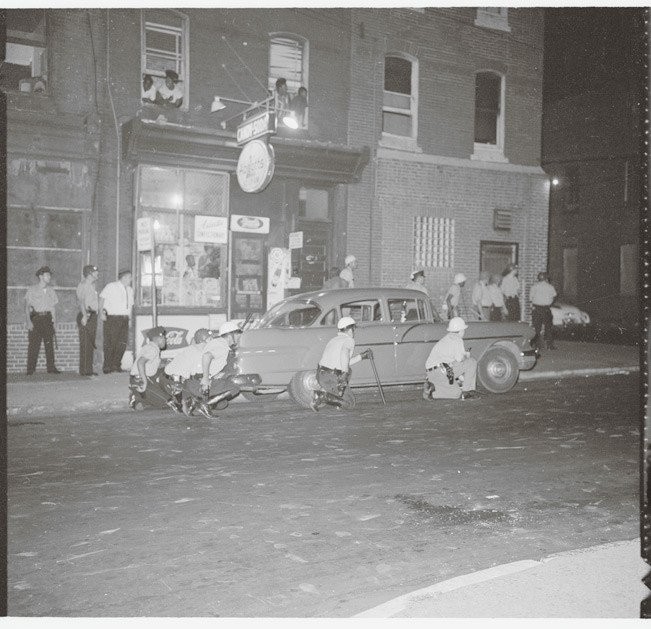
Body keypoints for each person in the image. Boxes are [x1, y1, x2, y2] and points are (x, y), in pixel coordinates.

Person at [310, 316, 372, 412]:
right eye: (353, 329)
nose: (354, 332)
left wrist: (362, 356)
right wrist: (344, 373)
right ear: (350, 329)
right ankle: (321, 396)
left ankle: (329, 394)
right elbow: (344, 353)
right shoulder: (349, 340)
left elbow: (344, 362)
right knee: (350, 404)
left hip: (321, 375)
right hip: (331, 377)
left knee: (348, 370)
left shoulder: (334, 340)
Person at [424, 317, 478, 400]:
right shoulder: (457, 339)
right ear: (461, 330)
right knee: (471, 362)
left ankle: (431, 391)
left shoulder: (446, 338)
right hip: (442, 371)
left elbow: (453, 362)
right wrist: (466, 355)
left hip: (432, 374)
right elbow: (460, 360)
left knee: (455, 392)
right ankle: (467, 392)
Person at [25, 266, 60, 375]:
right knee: (34, 345)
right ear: (41, 276)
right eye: (47, 275)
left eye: (49, 275)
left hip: (48, 319)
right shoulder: (32, 289)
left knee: (49, 345)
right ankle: (30, 369)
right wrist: (29, 322)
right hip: (36, 319)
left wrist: (55, 322)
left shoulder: (51, 290)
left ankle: (51, 368)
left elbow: (53, 307)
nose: (49, 277)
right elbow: (27, 307)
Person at [99, 270, 134, 374]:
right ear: (123, 277)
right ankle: (107, 366)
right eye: (129, 277)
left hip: (124, 318)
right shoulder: (111, 286)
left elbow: (130, 306)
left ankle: (116, 365)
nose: (131, 279)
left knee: (122, 343)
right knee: (110, 342)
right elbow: (101, 299)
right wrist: (101, 313)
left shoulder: (130, 290)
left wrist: (130, 319)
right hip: (113, 318)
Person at [128, 327, 168, 410]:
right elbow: (140, 362)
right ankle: (137, 397)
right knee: (167, 403)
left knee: (166, 370)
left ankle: (145, 399)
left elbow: (151, 365)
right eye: (163, 337)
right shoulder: (153, 349)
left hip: (140, 378)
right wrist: (145, 382)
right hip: (141, 380)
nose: (165, 339)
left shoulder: (150, 346)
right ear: (157, 338)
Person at [76, 264, 99, 376]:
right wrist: (84, 316)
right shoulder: (84, 285)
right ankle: (85, 371)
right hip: (86, 314)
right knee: (86, 343)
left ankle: (87, 369)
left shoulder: (91, 285)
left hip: (92, 315)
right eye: (95, 272)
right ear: (89, 274)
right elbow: (81, 302)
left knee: (89, 343)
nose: (97, 273)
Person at [530, 271, 558, 351]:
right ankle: (549, 345)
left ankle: (537, 345)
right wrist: (551, 303)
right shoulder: (550, 287)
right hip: (546, 308)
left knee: (536, 327)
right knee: (548, 327)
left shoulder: (534, 286)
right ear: (546, 278)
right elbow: (555, 296)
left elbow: (530, 298)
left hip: (536, 308)